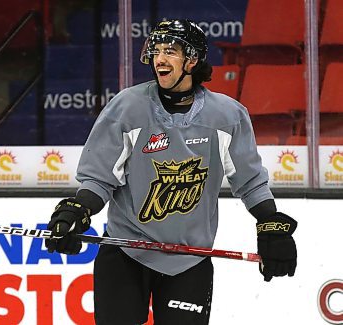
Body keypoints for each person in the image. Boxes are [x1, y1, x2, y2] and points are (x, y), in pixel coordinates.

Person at [45, 18, 297, 324]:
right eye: (157, 51)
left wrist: (269, 221)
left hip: (189, 259)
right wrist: (78, 210)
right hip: (127, 252)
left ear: (192, 59)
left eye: (170, 51)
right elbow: (100, 178)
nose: (160, 59)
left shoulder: (227, 116)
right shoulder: (127, 107)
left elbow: (250, 182)